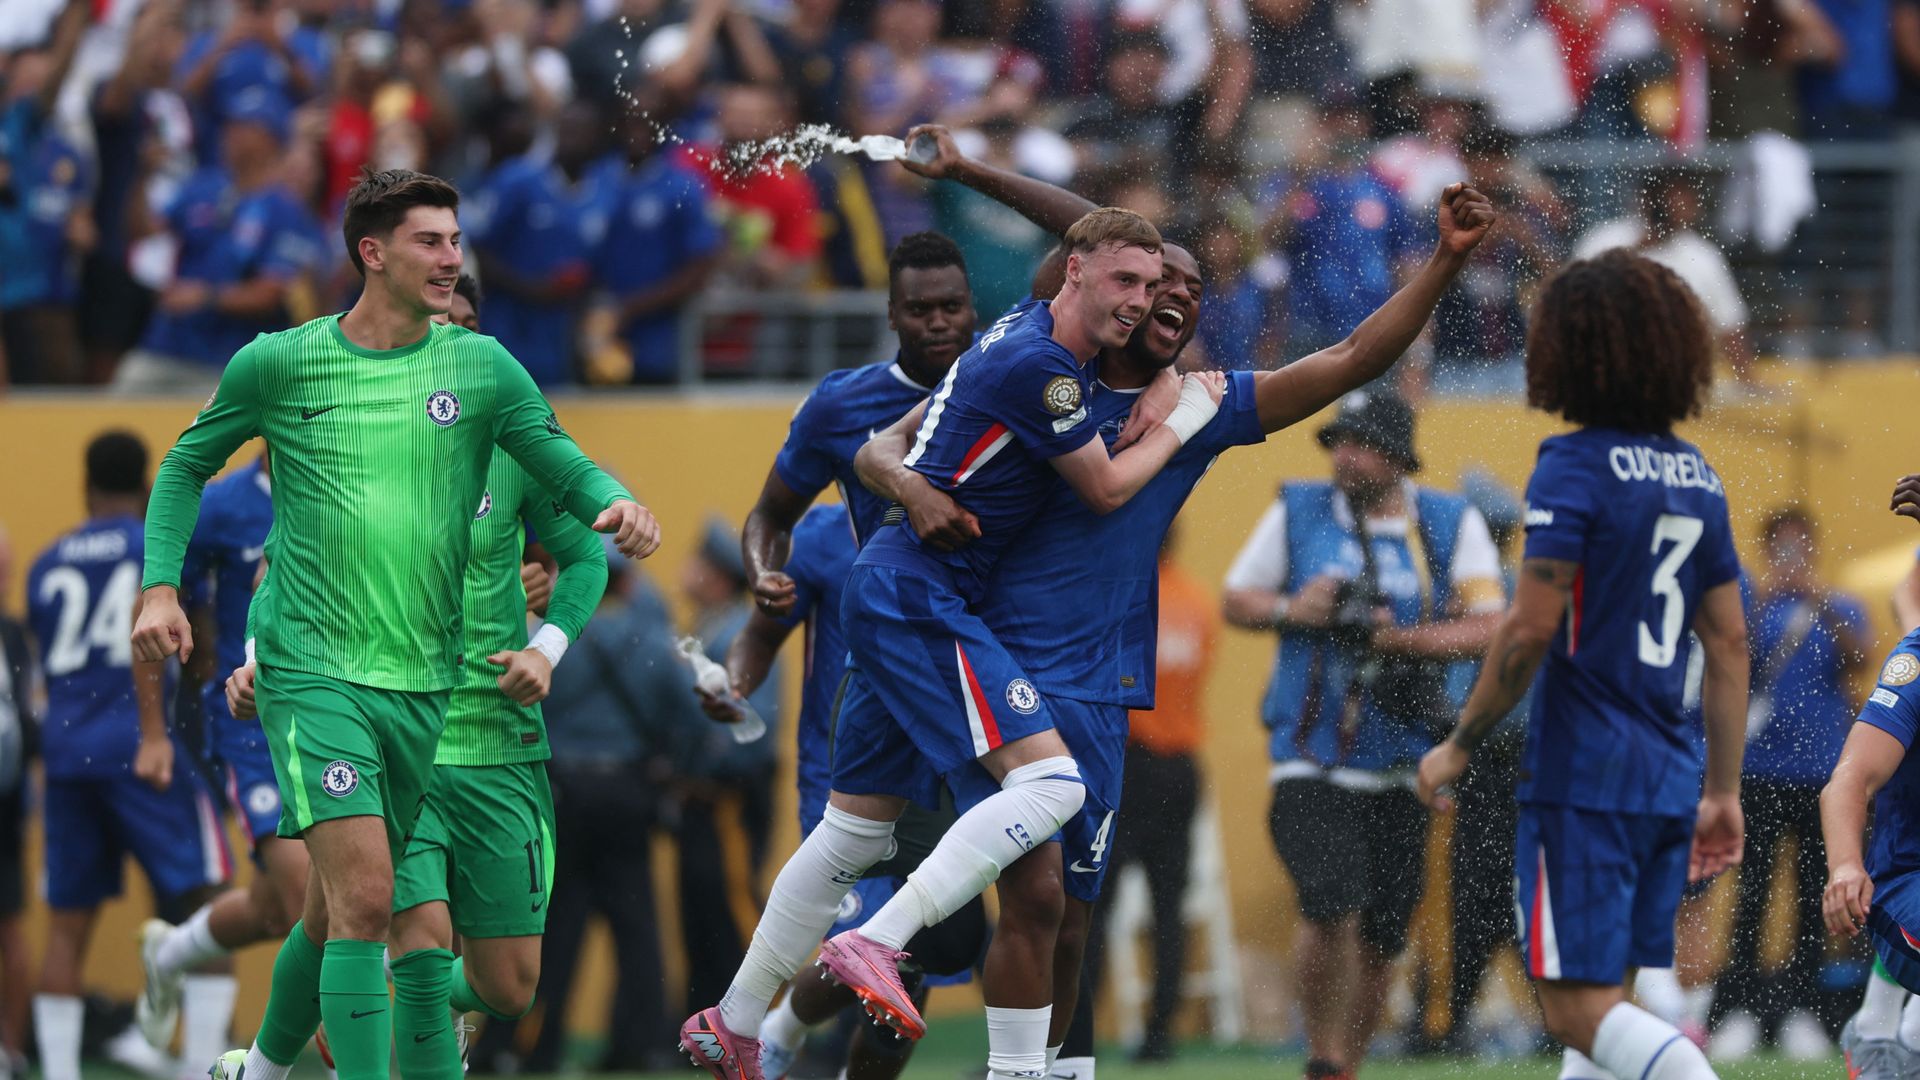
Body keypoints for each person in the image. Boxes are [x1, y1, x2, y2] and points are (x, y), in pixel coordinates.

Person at [861, 132, 1495, 1079]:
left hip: (1104, 688)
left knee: (1073, 913)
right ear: (1116, 292)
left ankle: (958, 1044)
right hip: (1001, 660)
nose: (1181, 301)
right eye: (1163, 284)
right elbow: (1082, 236)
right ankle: (857, 1016)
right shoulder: (1047, 358)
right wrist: (963, 173)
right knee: (1023, 897)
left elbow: (1357, 353)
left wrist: (1445, 259)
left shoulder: (1206, 406)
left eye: (1196, 295)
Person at [130, 168, 660, 1080]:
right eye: (432, 241)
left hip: (430, 690)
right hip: (316, 675)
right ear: (372, 253)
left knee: (409, 943)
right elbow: (186, 466)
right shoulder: (280, 363)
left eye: (456, 242)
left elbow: (564, 467)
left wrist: (617, 504)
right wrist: (160, 589)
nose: (452, 259)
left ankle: (258, 1068)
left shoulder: (483, 370)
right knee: (371, 904)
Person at [681, 203, 1226, 1080]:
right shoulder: (1045, 370)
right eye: (1125, 280)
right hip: (922, 596)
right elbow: (1110, 489)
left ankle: (738, 1020)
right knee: (1053, 784)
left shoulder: (1016, 329)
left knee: (852, 837)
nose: (1141, 300)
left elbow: (875, 453)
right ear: (1071, 272)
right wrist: (1187, 415)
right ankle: (884, 942)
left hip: (893, 589)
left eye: (1153, 285)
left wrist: (903, 480)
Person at [1418, 249, 1749, 1080]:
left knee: (1573, 1006)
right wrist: (1721, 792)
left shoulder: (1573, 463)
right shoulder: (1698, 475)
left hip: (1584, 775)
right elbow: (1730, 646)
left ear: (1575, 348)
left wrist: (1460, 742)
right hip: (1670, 773)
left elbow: (1529, 629)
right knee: (1607, 1003)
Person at [1220, 388, 1505, 1080]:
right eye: (1339, 441)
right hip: (1310, 754)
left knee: (1384, 930)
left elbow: (1495, 623)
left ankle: (1347, 1062)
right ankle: (1322, 1058)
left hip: (1405, 760)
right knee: (1330, 901)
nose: (1344, 455)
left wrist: (1403, 640)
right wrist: (1298, 607)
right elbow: (1238, 598)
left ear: (1397, 455)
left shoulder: (1446, 520)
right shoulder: (1298, 510)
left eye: (1361, 443)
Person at [380, 270, 613, 1078]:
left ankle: (381, 997)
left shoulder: (515, 448)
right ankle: (363, 1006)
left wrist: (543, 646)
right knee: (416, 941)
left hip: (501, 748)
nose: (454, 344)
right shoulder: (370, 438)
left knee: (507, 988)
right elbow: (297, 568)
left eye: (469, 327)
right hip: (398, 738)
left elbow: (586, 554)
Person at [27, 432, 234, 1080]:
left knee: (65, 930)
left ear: (86, 486)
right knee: (211, 903)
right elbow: (192, 645)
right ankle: (203, 1063)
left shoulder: (46, 561)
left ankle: (58, 1074)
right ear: (149, 486)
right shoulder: (156, 549)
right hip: (142, 748)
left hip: (66, 758)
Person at [134, 448, 284, 1074]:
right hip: (250, 723)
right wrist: (153, 732)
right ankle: (258, 1069)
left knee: (279, 910)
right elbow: (157, 608)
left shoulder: (365, 474)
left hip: (345, 713)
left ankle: (170, 954)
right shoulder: (224, 504)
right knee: (321, 908)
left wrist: (531, 576)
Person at [1710, 508, 1866, 1057]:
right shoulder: (1752, 605)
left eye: (1801, 547)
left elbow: (1860, 659)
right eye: (1782, 548)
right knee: (1751, 896)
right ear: (1767, 551)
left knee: (1812, 898)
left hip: (1823, 776)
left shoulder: (1839, 605)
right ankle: (1739, 1009)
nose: (1792, 558)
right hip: (1759, 770)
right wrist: (1770, 598)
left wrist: (1815, 598)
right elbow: (1729, 657)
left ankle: (1804, 1007)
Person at [1073, 528, 1220, 1065]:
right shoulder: (1198, 602)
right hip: (1181, 766)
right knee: (1169, 906)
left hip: (1127, 762)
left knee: (1095, 902)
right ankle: (1161, 1035)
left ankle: (1077, 1028)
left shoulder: (1124, 596)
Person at [114, 89, 325, 393]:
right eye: (229, 125)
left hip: (229, 361)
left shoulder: (287, 211)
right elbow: (140, 233)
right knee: (118, 400)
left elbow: (271, 293)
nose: (229, 134)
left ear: (267, 137)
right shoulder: (205, 185)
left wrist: (204, 297)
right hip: (166, 346)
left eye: (242, 127)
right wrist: (144, 175)